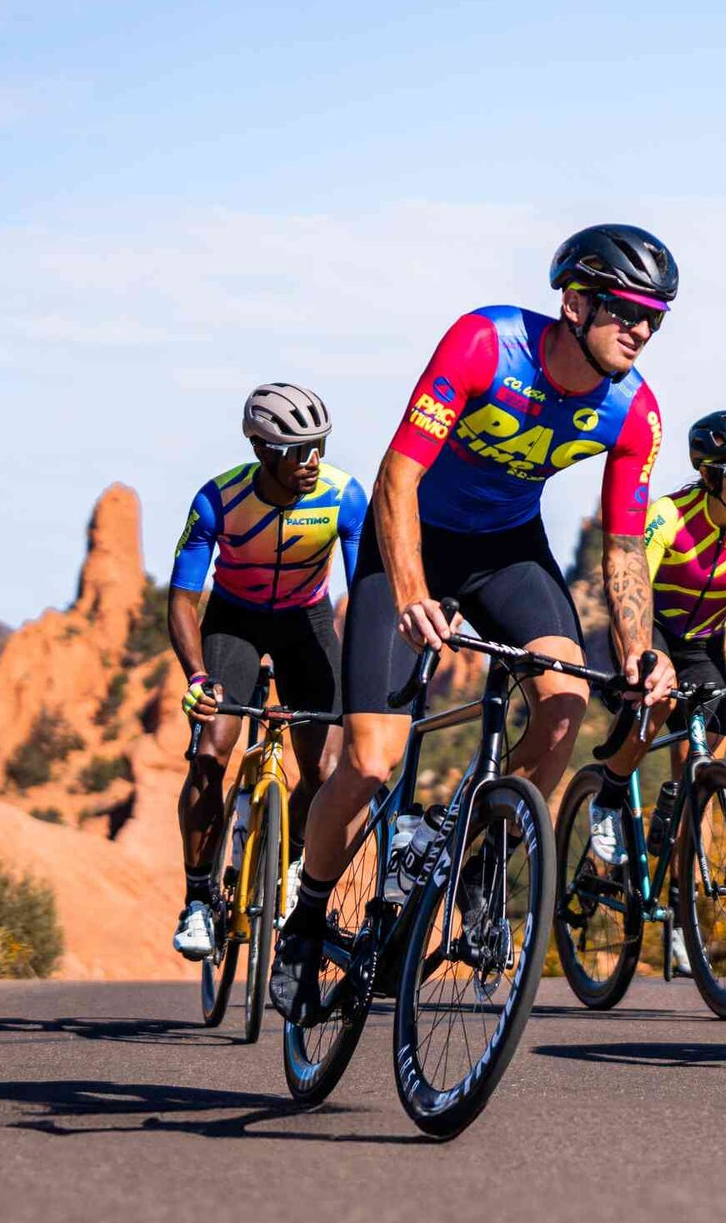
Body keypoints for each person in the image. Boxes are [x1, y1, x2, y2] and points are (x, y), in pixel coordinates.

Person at [268, 224, 682, 1019]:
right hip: (413, 540)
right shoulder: (485, 343)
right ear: (574, 301)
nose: (641, 329)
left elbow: (625, 547)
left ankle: (475, 856)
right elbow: (398, 473)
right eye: (628, 309)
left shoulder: (636, 410)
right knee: (369, 760)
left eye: (656, 318)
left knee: (564, 705)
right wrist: (416, 591)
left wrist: (639, 652)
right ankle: (307, 919)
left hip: (509, 552)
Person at [166, 382, 366, 959]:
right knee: (211, 752)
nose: (312, 461)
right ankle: (199, 899)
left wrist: (365, 667)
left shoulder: (343, 497)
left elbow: (363, 591)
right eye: (297, 450)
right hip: (235, 621)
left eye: (319, 446)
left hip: (308, 622)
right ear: (261, 449)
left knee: (326, 768)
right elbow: (182, 602)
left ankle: (298, 855)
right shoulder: (217, 501)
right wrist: (197, 678)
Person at [587, 408, 726, 869]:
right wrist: (643, 655)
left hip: (704, 644)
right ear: (709, 474)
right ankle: (607, 797)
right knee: (660, 699)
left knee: (700, 782)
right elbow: (630, 590)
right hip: (651, 628)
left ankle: (685, 927)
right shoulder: (669, 516)